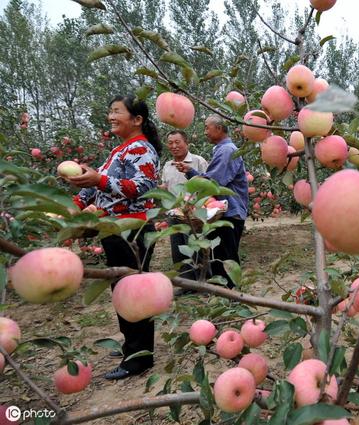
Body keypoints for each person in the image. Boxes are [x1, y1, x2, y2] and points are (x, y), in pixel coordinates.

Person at [66, 95, 161, 380]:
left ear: (137, 119)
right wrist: (72, 209)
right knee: (121, 292)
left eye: (116, 111)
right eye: (110, 111)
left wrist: (99, 180)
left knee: (134, 294)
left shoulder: (141, 148)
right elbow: (94, 188)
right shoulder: (119, 150)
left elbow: (143, 187)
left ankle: (139, 359)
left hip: (133, 230)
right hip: (114, 229)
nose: (110, 116)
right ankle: (131, 346)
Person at [175, 115, 249, 288]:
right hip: (224, 212)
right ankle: (226, 295)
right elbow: (212, 179)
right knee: (221, 256)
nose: (205, 132)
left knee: (225, 258)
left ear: (219, 128)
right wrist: (191, 172)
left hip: (228, 212)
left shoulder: (226, 150)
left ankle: (230, 296)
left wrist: (189, 193)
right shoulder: (222, 150)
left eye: (207, 127)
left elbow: (214, 183)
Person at [160, 130, 208, 282]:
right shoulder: (168, 165)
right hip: (174, 213)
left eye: (177, 142)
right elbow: (166, 187)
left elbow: (209, 184)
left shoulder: (198, 161)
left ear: (186, 143)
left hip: (195, 213)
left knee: (197, 246)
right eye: (170, 143)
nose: (174, 146)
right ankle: (186, 283)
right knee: (178, 248)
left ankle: (203, 282)